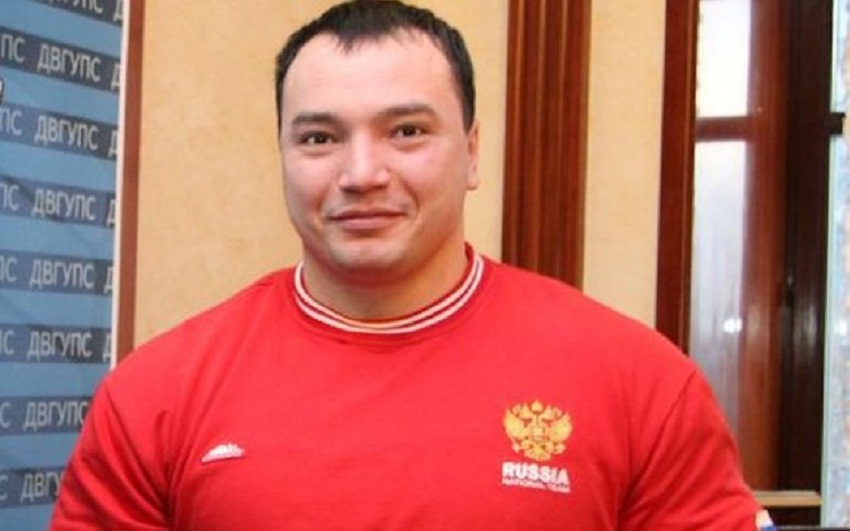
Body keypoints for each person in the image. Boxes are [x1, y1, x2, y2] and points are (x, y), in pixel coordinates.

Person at [51, 1, 775, 529]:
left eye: (406, 131)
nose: (362, 173)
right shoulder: (157, 396)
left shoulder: (639, 383)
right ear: (283, 155)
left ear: (472, 152)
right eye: (319, 138)